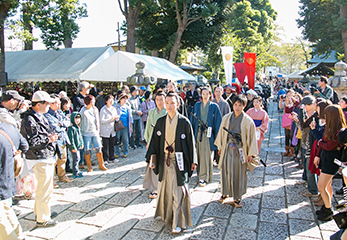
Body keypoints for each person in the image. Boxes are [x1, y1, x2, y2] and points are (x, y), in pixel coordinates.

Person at [145, 91, 197, 233]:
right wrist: (152, 158)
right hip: (164, 161)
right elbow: (154, 143)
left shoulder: (184, 122)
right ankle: (168, 216)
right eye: (166, 103)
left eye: (172, 103)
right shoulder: (161, 122)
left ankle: (178, 222)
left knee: (178, 191)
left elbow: (190, 143)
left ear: (178, 105)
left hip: (178, 161)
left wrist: (193, 161)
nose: (169, 105)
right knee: (165, 189)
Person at [20, 91, 58, 227]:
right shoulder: (29, 119)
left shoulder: (38, 116)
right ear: (38, 104)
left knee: (45, 188)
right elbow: (33, 142)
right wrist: (49, 139)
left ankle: (42, 211)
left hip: (44, 155)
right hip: (39, 157)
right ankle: (43, 218)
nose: (49, 105)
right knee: (44, 189)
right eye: (47, 103)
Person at [214, 94, 258, 208]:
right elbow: (221, 134)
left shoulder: (248, 121)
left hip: (241, 150)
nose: (237, 107)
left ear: (244, 106)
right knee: (225, 171)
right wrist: (220, 147)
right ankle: (224, 192)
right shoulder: (226, 118)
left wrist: (250, 154)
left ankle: (237, 197)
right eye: (235, 105)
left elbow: (252, 138)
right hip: (228, 147)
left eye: (240, 105)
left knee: (239, 173)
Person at [314, 105, 346, 221]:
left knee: (321, 186)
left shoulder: (339, 131)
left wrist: (320, 143)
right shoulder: (330, 127)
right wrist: (319, 151)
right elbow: (323, 143)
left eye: (327, 115)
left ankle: (329, 209)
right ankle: (326, 206)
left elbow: (328, 145)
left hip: (332, 160)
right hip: (325, 157)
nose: (325, 117)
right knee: (327, 185)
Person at [0, 122, 28, 239]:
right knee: (6, 208)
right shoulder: (9, 128)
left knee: (2, 218)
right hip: (7, 177)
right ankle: (18, 235)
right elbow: (25, 146)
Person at [191, 87, 222, 187]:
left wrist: (218, 139)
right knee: (199, 154)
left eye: (206, 94)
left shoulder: (214, 106)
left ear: (210, 95)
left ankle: (204, 177)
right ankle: (200, 174)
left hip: (208, 134)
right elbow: (192, 121)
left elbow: (218, 123)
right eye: (203, 94)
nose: (205, 96)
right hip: (198, 133)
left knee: (207, 155)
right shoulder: (197, 105)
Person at [143, 91, 167, 199]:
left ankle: (163, 185)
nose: (159, 102)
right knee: (153, 162)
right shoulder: (152, 112)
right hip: (153, 141)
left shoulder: (167, 112)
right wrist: (148, 141)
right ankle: (154, 187)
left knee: (163, 164)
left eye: (161, 100)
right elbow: (148, 127)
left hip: (164, 141)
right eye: (157, 100)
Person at [44, 94, 73, 183]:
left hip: (63, 138)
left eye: (59, 102)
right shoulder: (47, 114)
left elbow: (68, 121)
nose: (59, 104)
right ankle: (52, 180)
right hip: (54, 140)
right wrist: (62, 124)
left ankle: (62, 176)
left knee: (63, 159)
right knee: (54, 161)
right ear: (50, 104)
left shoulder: (59, 112)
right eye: (56, 103)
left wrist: (62, 124)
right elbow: (54, 127)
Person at [80, 95, 107, 172]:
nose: (94, 102)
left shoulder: (95, 109)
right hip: (86, 132)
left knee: (98, 147)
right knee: (87, 149)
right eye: (93, 101)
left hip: (95, 131)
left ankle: (101, 164)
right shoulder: (83, 110)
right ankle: (89, 165)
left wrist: (98, 131)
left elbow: (97, 121)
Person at [100, 94, 119, 164]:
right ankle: (105, 159)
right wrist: (110, 119)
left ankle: (112, 157)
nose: (111, 101)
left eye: (112, 99)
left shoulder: (114, 109)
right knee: (105, 145)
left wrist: (116, 118)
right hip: (105, 130)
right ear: (106, 101)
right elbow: (101, 120)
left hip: (112, 129)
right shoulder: (103, 109)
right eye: (110, 100)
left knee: (112, 144)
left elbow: (115, 117)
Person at [114, 93, 133, 158]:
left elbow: (130, 118)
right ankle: (116, 152)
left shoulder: (127, 107)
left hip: (126, 126)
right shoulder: (116, 106)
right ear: (120, 99)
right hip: (118, 125)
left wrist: (131, 126)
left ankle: (125, 152)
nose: (125, 100)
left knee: (126, 140)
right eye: (123, 98)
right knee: (117, 139)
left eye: (126, 98)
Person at [67, 112, 84, 178]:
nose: (77, 120)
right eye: (76, 118)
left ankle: (77, 170)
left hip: (78, 146)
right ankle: (75, 172)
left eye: (79, 118)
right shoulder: (71, 128)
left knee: (78, 158)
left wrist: (81, 143)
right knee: (76, 159)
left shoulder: (78, 127)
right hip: (74, 147)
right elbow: (71, 139)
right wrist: (72, 147)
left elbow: (80, 137)